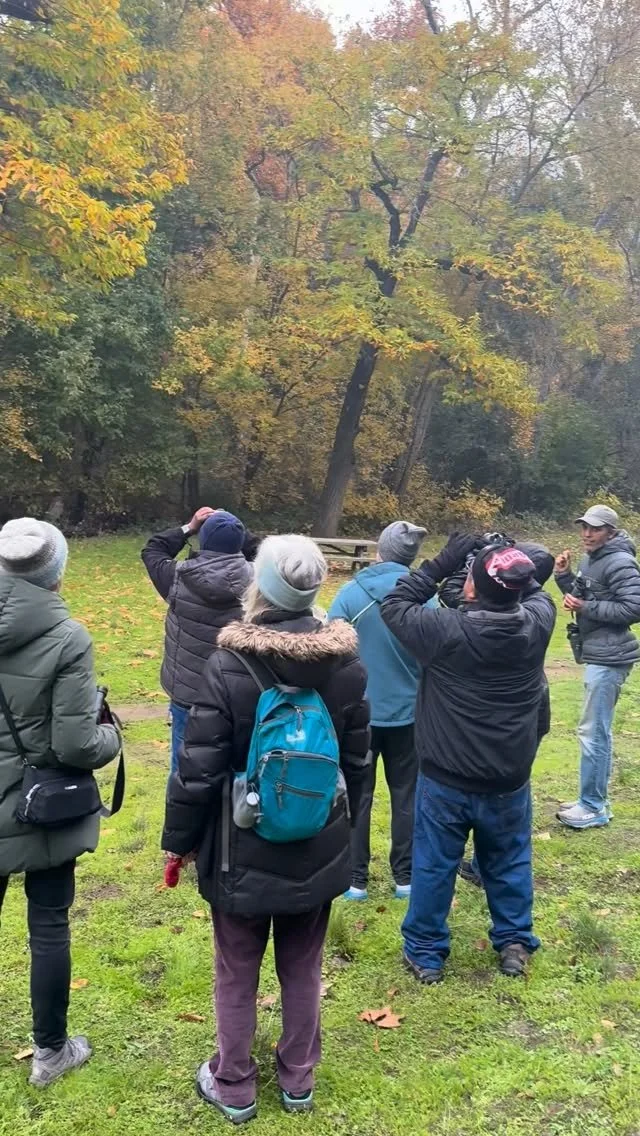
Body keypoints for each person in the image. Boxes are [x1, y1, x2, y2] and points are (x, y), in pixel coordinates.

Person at [162, 534, 369, 1124]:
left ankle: (234, 1083)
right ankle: (298, 1078)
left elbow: (197, 770)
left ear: (261, 585)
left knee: (236, 969)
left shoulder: (228, 664)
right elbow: (357, 764)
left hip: (239, 846)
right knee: (303, 964)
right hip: (318, 841)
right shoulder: (347, 666)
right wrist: (344, 834)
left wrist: (178, 843)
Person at [381, 535, 556, 983]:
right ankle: (514, 941)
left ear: (472, 587)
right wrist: (509, 559)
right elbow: (532, 588)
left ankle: (426, 952)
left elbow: (396, 603)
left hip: (446, 776)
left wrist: (446, 559)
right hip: (508, 776)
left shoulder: (444, 631)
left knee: (434, 864)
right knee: (509, 859)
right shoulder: (539, 622)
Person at [0, 518, 120, 1087]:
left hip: (24, 797)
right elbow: (76, 745)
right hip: (38, 803)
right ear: (57, 570)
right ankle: (51, 1052)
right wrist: (112, 736)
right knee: (48, 924)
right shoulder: (68, 637)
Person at [328, 520, 432, 901]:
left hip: (360, 714)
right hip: (411, 714)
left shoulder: (351, 593)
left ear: (379, 550)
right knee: (407, 796)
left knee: (358, 795)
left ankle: (355, 879)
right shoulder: (426, 599)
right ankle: (406, 878)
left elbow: (330, 647)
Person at [457, 540, 555, 887]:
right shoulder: (539, 615)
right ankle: (493, 866)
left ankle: (483, 865)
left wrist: (474, 563)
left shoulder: (487, 618)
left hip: (489, 723)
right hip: (529, 712)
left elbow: (457, 598)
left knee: (491, 793)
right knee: (513, 791)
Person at [141, 509, 252, 773]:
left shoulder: (177, 578)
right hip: (239, 691)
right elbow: (264, 550)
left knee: (183, 769)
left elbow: (153, 550)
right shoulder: (259, 580)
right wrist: (236, 530)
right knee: (237, 769)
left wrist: (189, 527)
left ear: (203, 539)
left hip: (188, 694)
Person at [554, 504, 640, 830]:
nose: (587, 533)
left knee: (594, 732)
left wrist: (586, 606)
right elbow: (581, 597)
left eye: (595, 528)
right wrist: (563, 577)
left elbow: (634, 607)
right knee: (594, 730)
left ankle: (593, 806)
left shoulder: (620, 562)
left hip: (611, 657)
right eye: (584, 527)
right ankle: (591, 800)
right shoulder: (592, 559)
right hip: (599, 653)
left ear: (611, 532)